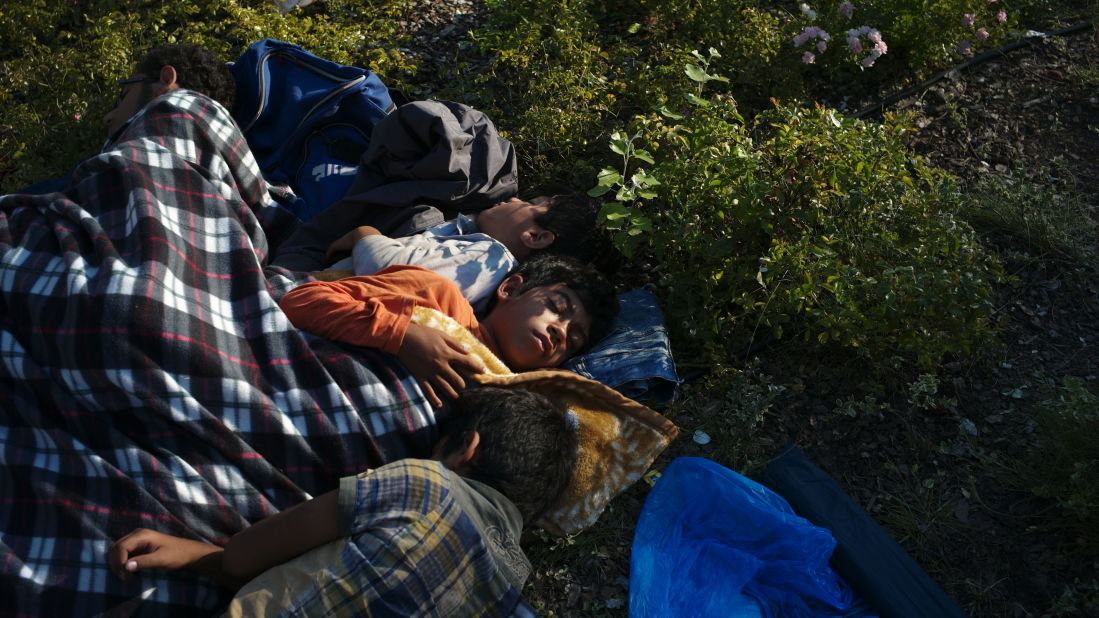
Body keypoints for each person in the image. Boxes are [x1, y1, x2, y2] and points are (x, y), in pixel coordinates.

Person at [107, 387, 577, 616]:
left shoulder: (429, 483)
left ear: (466, 448)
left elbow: (245, 556)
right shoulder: (511, 584)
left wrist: (193, 553)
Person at [279, 254, 618, 406]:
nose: (561, 331)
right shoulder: (438, 295)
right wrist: (401, 335)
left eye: (573, 341)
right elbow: (302, 301)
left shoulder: (514, 397)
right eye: (558, 308)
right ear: (510, 289)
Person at [323, 192, 598, 312]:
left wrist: (364, 234)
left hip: (325, 293)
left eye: (530, 203)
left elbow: (389, 273)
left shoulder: (490, 260)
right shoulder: (481, 252)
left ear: (535, 237)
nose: (514, 198)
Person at [104, 42, 236, 143]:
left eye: (124, 96)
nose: (107, 118)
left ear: (166, 79)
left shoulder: (121, 165)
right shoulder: (234, 164)